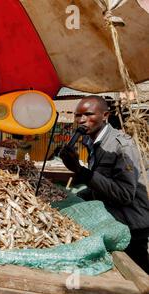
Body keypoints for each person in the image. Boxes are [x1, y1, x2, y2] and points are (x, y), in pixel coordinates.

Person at [60, 95, 149, 273]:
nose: (82, 120)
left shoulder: (121, 146)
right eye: (78, 115)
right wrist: (77, 196)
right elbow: (102, 182)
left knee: (138, 273)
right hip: (112, 220)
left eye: (88, 114)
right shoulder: (90, 141)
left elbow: (124, 194)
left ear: (105, 115)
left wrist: (81, 171)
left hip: (131, 224)